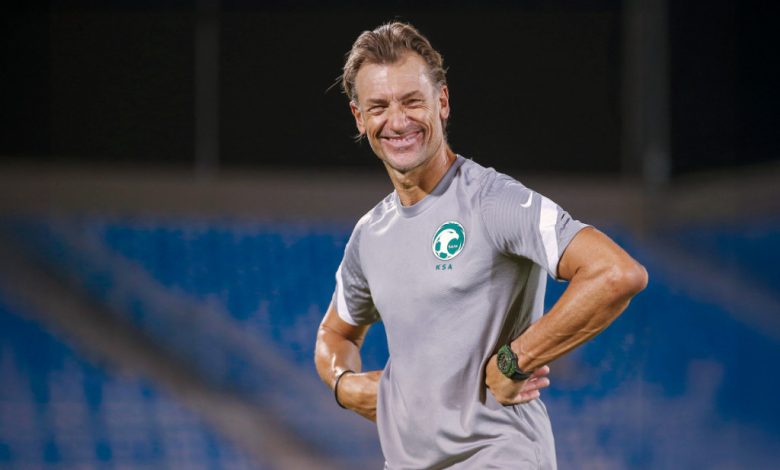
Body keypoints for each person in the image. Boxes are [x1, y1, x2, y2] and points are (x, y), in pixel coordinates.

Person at [314, 21, 648, 469]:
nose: (397, 121)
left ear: (442, 102)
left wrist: (516, 360)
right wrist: (343, 384)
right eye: (379, 107)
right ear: (359, 118)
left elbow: (616, 273)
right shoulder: (369, 235)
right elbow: (334, 334)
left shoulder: (492, 201)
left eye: (412, 101)